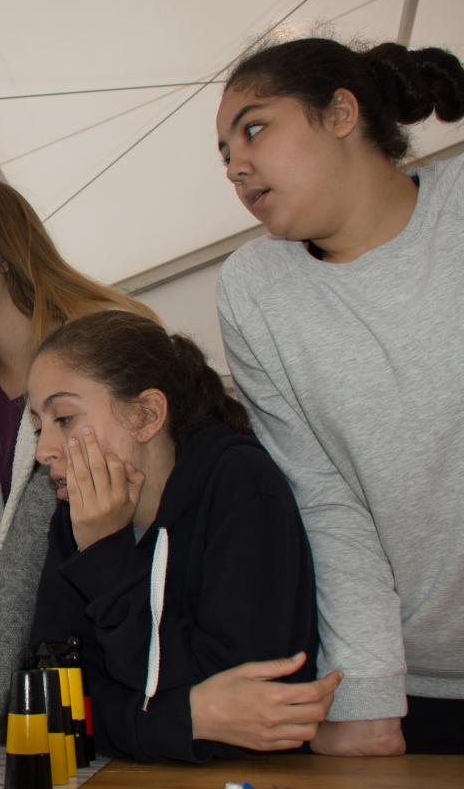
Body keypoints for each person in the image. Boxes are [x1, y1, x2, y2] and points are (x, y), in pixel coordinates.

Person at [215, 37, 464, 755]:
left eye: (254, 129)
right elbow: (325, 501)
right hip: (423, 691)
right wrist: (369, 691)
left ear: (341, 113)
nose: (235, 166)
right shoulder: (254, 289)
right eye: (224, 154)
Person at [0, 178, 158, 746]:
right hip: (14, 681)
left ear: (2, 251)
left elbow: (39, 537)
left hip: (109, 654)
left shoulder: (102, 347)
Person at [28, 310, 330, 761]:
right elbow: (48, 707)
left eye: (64, 418)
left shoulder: (240, 484)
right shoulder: (76, 519)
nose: (43, 450)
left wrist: (107, 559)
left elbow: (246, 713)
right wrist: (184, 720)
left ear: (146, 414)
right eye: (38, 426)